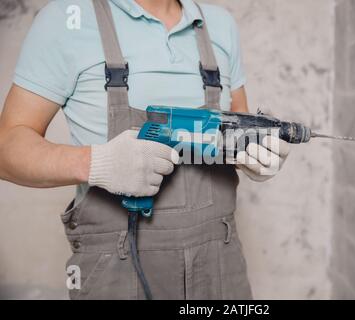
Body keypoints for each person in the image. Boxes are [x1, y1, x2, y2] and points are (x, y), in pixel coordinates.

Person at [0, 0, 290, 299]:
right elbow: (6, 149)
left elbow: (235, 123)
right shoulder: (67, 18)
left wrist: (258, 154)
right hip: (117, 267)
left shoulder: (220, 24)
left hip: (220, 264)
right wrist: (95, 163)